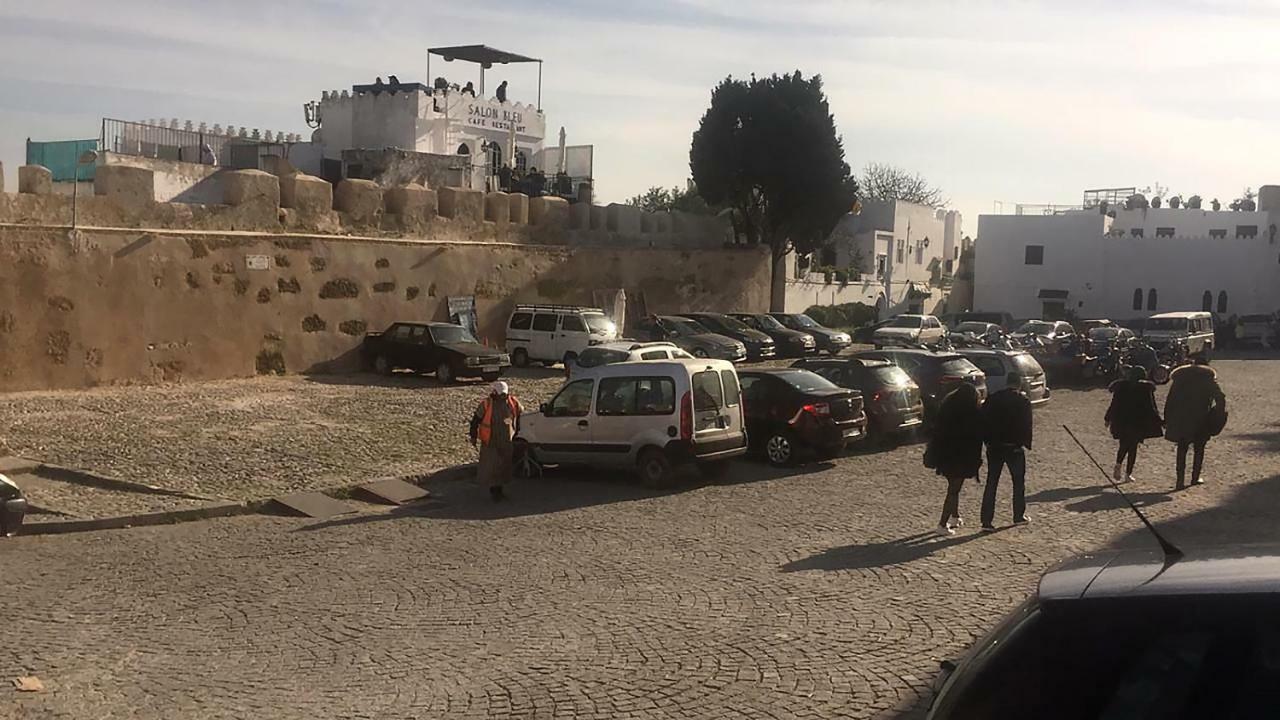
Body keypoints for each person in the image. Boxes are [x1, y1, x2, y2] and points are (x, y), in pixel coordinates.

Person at [925, 384, 984, 536]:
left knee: (954, 487)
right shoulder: (971, 414)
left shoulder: (947, 410)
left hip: (946, 456)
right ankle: (942, 523)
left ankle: (955, 516)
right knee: (953, 490)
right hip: (961, 458)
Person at [1164, 355, 1226, 489]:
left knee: (1182, 448)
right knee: (1199, 449)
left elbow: (1170, 400)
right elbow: (1220, 397)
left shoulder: (1179, 378)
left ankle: (1179, 481)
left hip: (1181, 418)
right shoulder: (1207, 378)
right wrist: (1217, 413)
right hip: (1201, 418)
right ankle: (1195, 477)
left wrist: (1167, 418)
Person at [979, 385, 1033, 531]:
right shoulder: (1022, 400)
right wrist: (1025, 442)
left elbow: (982, 420)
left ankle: (986, 521)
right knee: (1018, 482)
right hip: (1013, 447)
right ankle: (1018, 515)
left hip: (994, 446)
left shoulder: (992, 399)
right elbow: (1027, 424)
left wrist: (987, 441)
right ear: (1018, 384)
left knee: (992, 483)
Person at [1105, 365, 1163, 483]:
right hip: (1137, 421)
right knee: (1133, 448)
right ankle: (1128, 474)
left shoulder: (1121, 387)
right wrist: (1160, 421)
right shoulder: (1145, 388)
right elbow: (1150, 408)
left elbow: (1114, 404)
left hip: (1121, 421)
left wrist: (1107, 418)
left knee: (1123, 444)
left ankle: (1118, 464)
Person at [468, 381, 523, 501]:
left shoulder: (513, 402)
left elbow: (519, 415)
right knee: (492, 466)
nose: (502, 396)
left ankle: (500, 489)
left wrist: (518, 432)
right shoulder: (486, 404)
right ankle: (494, 491)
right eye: (500, 394)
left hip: (506, 440)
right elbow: (475, 420)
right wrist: (473, 435)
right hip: (490, 440)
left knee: (504, 466)